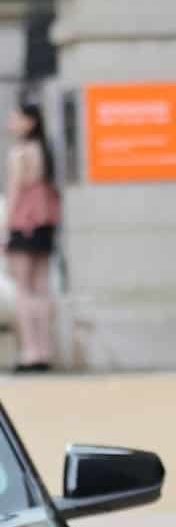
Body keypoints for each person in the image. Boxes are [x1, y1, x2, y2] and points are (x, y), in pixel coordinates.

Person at [5, 100, 59, 373]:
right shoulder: (45, 152)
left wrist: (5, 229)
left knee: (24, 290)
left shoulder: (20, 153)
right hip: (45, 224)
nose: (10, 124)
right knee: (41, 287)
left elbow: (15, 193)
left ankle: (30, 352)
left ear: (30, 122)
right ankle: (45, 350)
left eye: (15, 119)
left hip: (23, 224)